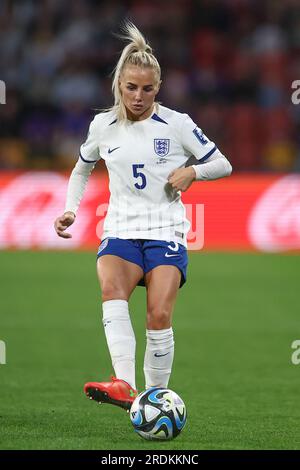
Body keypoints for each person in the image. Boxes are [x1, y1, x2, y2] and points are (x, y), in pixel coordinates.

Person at [54, 22, 232, 412]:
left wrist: (193, 172)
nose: (138, 96)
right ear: (119, 84)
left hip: (166, 230)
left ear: (159, 87)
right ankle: (123, 383)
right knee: (111, 291)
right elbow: (82, 168)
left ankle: (154, 399)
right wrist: (70, 208)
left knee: (159, 314)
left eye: (147, 89)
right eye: (131, 87)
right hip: (119, 228)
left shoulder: (177, 124)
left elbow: (223, 163)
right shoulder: (103, 126)